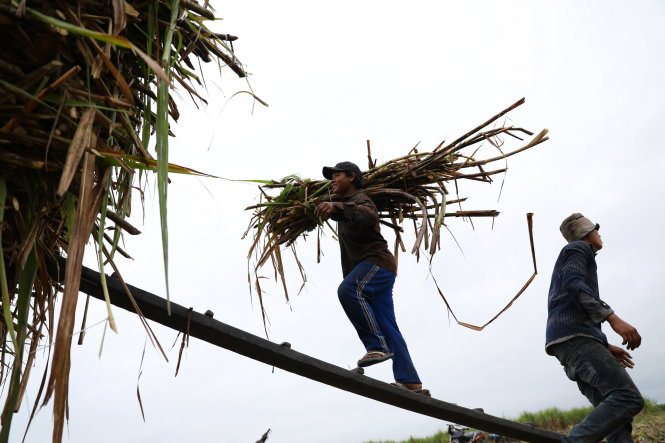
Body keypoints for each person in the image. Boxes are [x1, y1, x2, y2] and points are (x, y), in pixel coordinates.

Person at [314, 161, 428, 395]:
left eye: (337, 176)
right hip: (377, 270)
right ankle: (410, 380)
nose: (332, 180)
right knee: (388, 325)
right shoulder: (345, 205)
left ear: (352, 177)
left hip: (376, 263)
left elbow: (366, 216)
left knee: (347, 291)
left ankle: (376, 346)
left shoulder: (361, 199)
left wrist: (337, 208)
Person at [546, 213, 644, 442]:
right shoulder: (579, 248)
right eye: (596, 229)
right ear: (585, 233)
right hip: (576, 340)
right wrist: (612, 318)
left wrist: (605, 346)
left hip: (568, 343)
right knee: (627, 398)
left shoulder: (578, 254)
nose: (600, 234)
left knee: (617, 417)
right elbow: (573, 283)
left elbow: (572, 304)